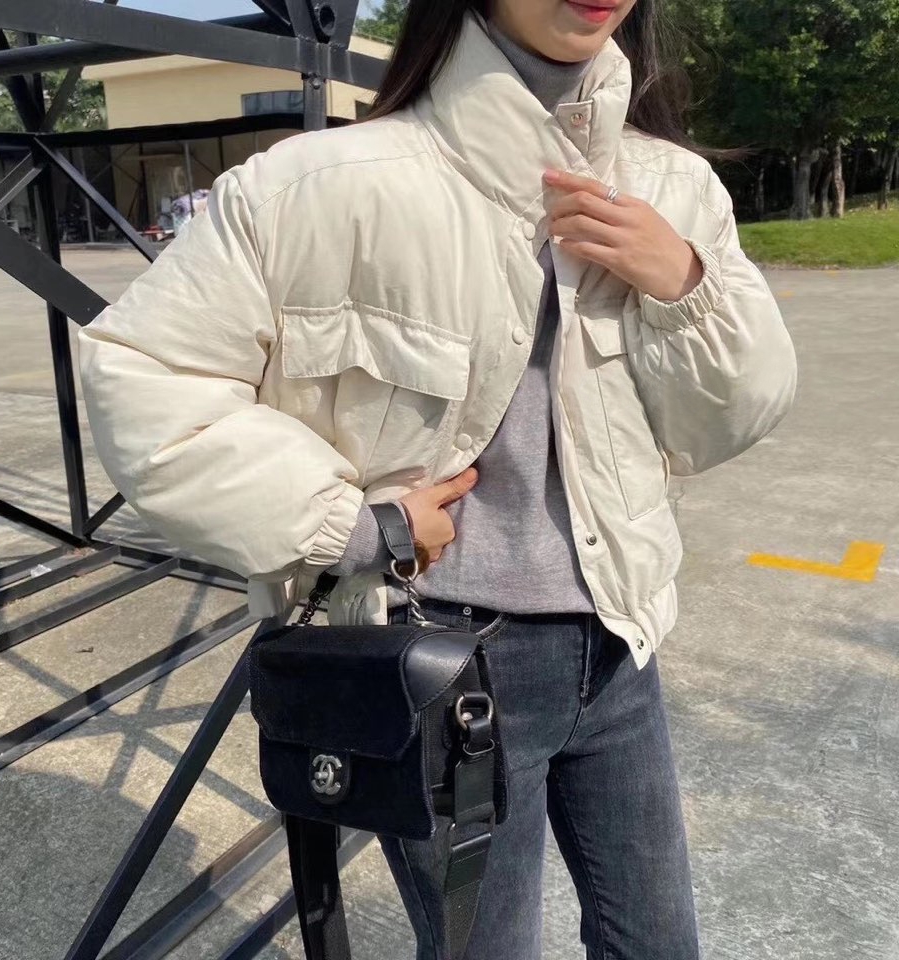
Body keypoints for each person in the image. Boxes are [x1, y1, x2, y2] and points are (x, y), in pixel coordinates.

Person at [78, 1, 798, 957]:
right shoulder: (314, 188)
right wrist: (352, 524)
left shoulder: (674, 187)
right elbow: (144, 381)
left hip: (622, 639)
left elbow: (730, 420)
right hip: (444, 659)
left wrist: (686, 285)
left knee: (661, 943)